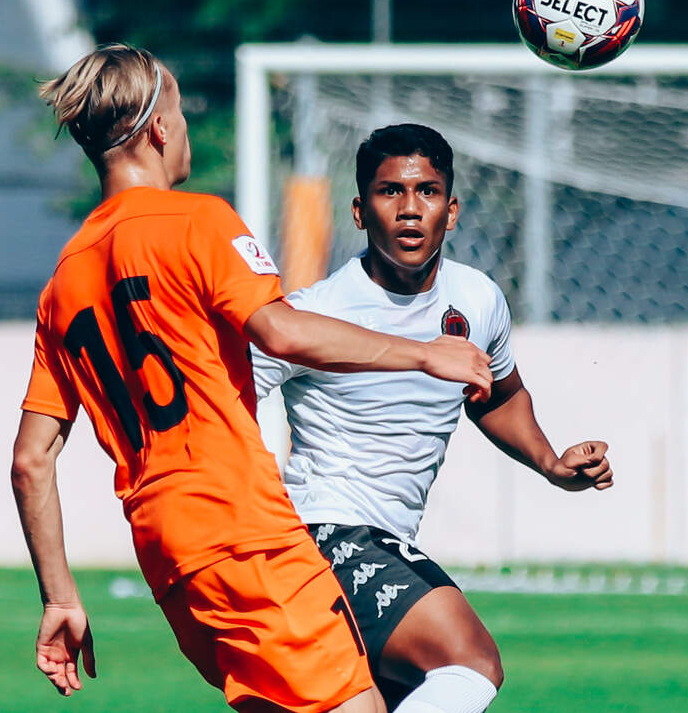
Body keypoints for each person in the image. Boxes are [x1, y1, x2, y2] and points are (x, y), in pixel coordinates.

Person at [10, 46, 494, 713]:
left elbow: (31, 460)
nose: (185, 128)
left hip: (169, 559)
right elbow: (282, 332)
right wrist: (422, 353)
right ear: (160, 128)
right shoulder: (197, 221)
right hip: (244, 534)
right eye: (181, 112)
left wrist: (60, 596)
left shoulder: (63, 281)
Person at [253, 124, 614, 713]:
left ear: (452, 210)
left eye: (427, 191)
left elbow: (496, 395)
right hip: (323, 536)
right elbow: (216, 402)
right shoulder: (312, 314)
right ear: (359, 212)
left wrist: (551, 463)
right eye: (389, 192)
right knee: (470, 662)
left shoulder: (477, 299)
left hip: (388, 541)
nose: (410, 208)